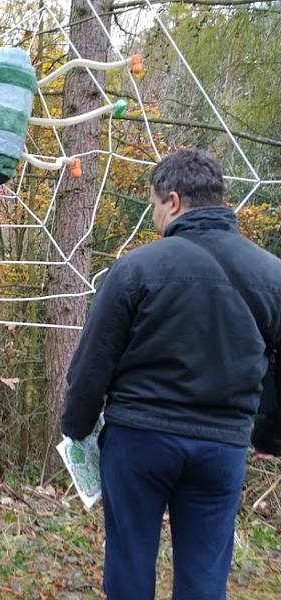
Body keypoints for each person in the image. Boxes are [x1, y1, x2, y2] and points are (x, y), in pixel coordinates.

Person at [61, 148, 281, 600]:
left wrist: (77, 428)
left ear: (174, 201)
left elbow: (93, 362)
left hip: (139, 439)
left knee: (129, 560)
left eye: (156, 207)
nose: (156, 218)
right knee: (204, 573)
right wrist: (267, 435)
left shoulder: (136, 268)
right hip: (222, 444)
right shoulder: (272, 273)